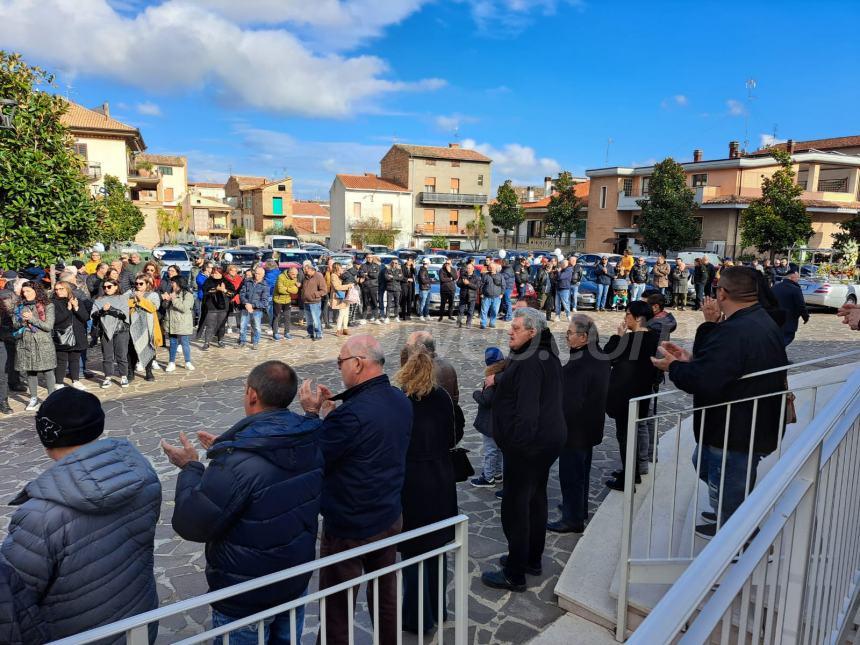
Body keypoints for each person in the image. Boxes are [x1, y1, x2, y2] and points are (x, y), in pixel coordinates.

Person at [161, 361, 322, 643]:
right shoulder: (310, 437)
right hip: (293, 581)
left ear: (251, 395)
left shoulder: (237, 464)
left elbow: (191, 523)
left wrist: (191, 468)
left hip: (245, 596)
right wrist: (226, 448)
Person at [1, 388, 161, 642]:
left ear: (46, 435)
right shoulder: (142, 474)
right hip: (138, 624)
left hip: (76, 635)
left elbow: (14, 593)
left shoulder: (40, 516)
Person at [652, 267, 788, 535]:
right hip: (746, 424)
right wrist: (689, 360)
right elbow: (725, 369)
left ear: (722, 293)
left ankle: (737, 546)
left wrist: (673, 368)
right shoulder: (757, 320)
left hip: (736, 430)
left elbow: (704, 381)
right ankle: (725, 517)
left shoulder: (736, 330)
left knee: (731, 496)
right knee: (709, 470)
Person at [298, 335, 411, 645]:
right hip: (388, 517)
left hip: (349, 526)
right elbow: (363, 445)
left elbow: (313, 456)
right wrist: (334, 414)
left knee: (337, 606)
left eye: (340, 362)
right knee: (385, 595)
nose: (339, 368)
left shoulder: (353, 414)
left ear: (359, 363)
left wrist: (311, 415)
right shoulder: (400, 399)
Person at [481, 308, 566, 592]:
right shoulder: (544, 351)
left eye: (516, 328)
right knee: (536, 500)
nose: (510, 331)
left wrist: (515, 447)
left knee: (516, 507)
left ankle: (515, 573)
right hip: (545, 441)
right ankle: (531, 559)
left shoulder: (530, 360)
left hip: (528, 447)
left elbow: (527, 412)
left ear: (532, 332)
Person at [395, 347, 460, 634]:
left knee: (413, 553)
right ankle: (437, 610)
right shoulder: (443, 398)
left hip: (413, 485)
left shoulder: (401, 402)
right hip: (441, 481)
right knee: (436, 550)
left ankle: (417, 618)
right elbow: (455, 434)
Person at [547, 314, 609, 533]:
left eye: (570, 333)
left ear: (583, 338)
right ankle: (578, 509)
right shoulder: (598, 355)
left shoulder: (579, 364)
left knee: (571, 476)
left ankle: (572, 519)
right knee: (581, 472)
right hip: (590, 427)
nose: (566, 337)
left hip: (575, 431)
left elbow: (570, 403)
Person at [603, 301, 661, 491]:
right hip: (641, 394)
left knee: (625, 438)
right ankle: (632, 473)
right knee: (631, 436)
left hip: (625, 396)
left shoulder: (629, 340)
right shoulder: (653, 337)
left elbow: (607, 357)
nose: (624, 318)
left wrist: (617, 336)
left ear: (637, 318)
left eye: (628, 314)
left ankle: (628, 480)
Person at [13, 281, 56, 411]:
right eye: (23, 292)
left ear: (36, 291)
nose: (25, 294)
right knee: (30, 371)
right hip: (25, 342)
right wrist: (21, 320)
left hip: (43, 343)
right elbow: (15, 325)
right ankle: (33, 398)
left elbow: (48, 326)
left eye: (28, 291)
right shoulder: (20, 306)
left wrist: (31, 318)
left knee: (48, 370)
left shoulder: (48, 305)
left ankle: (52, 398)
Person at [470, 347, 506, 487]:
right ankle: (497, 473)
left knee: (490, 449)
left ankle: (488, 477)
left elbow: (486, 400)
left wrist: (476, 393)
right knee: (498, 449)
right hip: (500, 420)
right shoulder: (504, 373)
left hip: (490, 421)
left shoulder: (492, 378)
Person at [51, 280, 91, 390]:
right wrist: (68, 310)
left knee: (75, 359)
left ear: (67, 289)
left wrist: (76, 307)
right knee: (61, 360)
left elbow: (85, 317)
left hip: (77, 334)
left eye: (61, 289)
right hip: (62, 335)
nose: (58, 291)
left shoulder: (76, 300)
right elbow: (56, 320)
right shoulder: (53, 303)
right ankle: (59, 382)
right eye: (56, 289)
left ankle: (76, 380)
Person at [400, 330, 460, 404]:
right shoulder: (448, 365)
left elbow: (407, 397)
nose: (405, 348)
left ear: (420, 347)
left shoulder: (420, 370)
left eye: (408, 345)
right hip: (446, 412)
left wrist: (405, 363)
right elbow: (455, 397)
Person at [91, 279, 130, 389]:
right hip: (105, 330)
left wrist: (110, 309)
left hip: (120, 330)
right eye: (104, 287)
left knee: (121, 354)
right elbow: (93, 315)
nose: (106, 289)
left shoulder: (122, 298)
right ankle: (107, 377)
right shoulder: (99, 300)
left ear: (116, 287)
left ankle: (123, 376)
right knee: (107, 355)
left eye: (109, 286)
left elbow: (124, 315)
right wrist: (102, 310)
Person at [128, 275, 162, 382]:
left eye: (141, 283)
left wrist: (140, 299)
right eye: (136, 283)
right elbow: (125, 303)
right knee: (131, 349)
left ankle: (148, 372)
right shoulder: (130, 293)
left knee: (149, 348)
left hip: (148, 326)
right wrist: (134, 300)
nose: (138, 286)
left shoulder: (153, 295)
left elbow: (154, 307)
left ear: (147, 284)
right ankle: (130, 372)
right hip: (132, 325)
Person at [161, 275, 195, 372]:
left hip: (182, 323)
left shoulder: (188, 294)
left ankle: (188, 362)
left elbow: (184, 308)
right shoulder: (171, 293)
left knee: (185, 342)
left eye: (173, 282)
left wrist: (174, 299)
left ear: (179, 283)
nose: (171, 284)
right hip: (171, 322)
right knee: (172, 343)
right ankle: (171, 363)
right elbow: (165, 306)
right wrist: (166, 300)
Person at [199, 265, 235, 350]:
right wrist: (216, 289)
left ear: (221, 273)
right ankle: (206, 342)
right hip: (211, 307)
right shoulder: (208, 281)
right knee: (210, 325)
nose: (214, 274)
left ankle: (220, 341)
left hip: (223, 307)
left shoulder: (226, 281)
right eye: (213, 273)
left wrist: (224, 290)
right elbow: (205, 291)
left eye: (216, 273)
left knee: (221, 325)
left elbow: (232, 293)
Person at [772, 269, 809, 346]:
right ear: (791, 277)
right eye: (797, 277)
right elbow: (801, 305)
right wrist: (805, 317)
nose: (798, 279)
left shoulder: (775, 287)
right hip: (789, 319)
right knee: (786, 339)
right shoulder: (795, 289)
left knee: (776, 338)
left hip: (774, 318)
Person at [239, 266, 270, 349]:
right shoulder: (248, 281)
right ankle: (242, 341)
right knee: (243, 326)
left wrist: (252, 305)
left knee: (257, 327)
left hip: (257, 310)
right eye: (255, 273)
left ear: (263, 275)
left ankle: (255, 342)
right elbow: (242, 294)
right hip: (245, 307)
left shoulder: (265, 285)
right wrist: (246, 303)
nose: (256, 275)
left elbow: (264, 302)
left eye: (259, 274)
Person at [300, 263, 327, 341]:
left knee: (316, 319)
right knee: (309, 320)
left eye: (306, 269)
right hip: (306, 302)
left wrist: (315, 295)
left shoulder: (319, 276)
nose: (304, 271)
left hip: (314, 302)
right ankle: (310, 333)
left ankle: (319, 334)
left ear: (312, 270)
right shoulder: (306, 277)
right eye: (304, 269)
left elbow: (324, 290)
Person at [273, 266, 299, 340]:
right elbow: (280, 290)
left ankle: (287, 332)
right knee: (277, 316)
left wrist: (287, 289)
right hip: (278, 300)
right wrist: (290, 289)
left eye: (296, 275)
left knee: (287, 317)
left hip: (287, 300)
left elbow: (295, 290)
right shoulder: (281, 277)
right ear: (289, 273)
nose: (295, 276)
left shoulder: (294, 278)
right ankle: (275, 333)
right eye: (293, 274)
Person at [329, 263, 352, 337]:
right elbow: (337, 287)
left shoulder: (341, 275)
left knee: (346, 313)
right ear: (336, 268)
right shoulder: (333, 276)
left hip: (345, 295)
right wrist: (348, 286)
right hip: (339, 296)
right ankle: (338, 330)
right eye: (340, 268)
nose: (341, 269)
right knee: (341, 313)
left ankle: (345, 329)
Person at [456, 262, 481, 328]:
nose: (468, 269)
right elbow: (458, 284)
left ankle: (468, 323)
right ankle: (459, 322)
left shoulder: (476, 277)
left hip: (472, 297)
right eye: (467, 268)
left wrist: (468, 283)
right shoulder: (463, 275)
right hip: (463, 295)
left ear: (473, 269)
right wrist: (462, 282)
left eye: (469, 268)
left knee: (470, 311)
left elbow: (476, 287)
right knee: (461, 310)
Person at [480, 262, 504, 329]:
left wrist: (502, 293)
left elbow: (503, 285)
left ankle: (492, 323)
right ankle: (483, 323)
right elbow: (481, 285)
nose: (491, 268)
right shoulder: (485, 275)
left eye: (492, 267)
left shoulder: (500, 276)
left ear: (495, 268)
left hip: (496, 297)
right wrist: (481, 293)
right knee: (484, 311)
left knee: (495, 311)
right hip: (486, 297)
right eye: (490, 267)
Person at [358, 255, 381, 324]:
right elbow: (360, 273)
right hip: (365, 286)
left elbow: (376, 275)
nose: (369, 259)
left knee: (374, 302)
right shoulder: (363, 265)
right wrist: (369, 275)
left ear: (372, 258)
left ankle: (376, 318)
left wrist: (367, 274)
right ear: (366, 258)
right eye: (368, 257)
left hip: (373, 286)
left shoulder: (376, 266)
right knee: (365, 302)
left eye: (370, 257)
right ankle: (364, 318)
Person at [224, 264, 244, 334]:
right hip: (229, 297)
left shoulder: (239, 278)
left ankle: (238, 327)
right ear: (228, 271)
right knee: (230, 313)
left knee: (238, 313)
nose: (234, 272)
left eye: (235, 271)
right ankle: (229, 327)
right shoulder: (225, 278)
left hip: (237, 298)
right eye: (232, 270)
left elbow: (242, 287)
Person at [383, 259, 403, 323]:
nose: (394, 264)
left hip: (397, 289)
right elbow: (386, 278)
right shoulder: (387, 270)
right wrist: (396, 277)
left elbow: (401, 278)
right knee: (388, 304)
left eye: (396, 263)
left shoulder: (399, 270)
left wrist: (392, 277)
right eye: (393, 263)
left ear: (397, 264)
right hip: (390, 289)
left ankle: (396, 316)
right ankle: (387, 317)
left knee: (397, 304)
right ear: (391, 263)